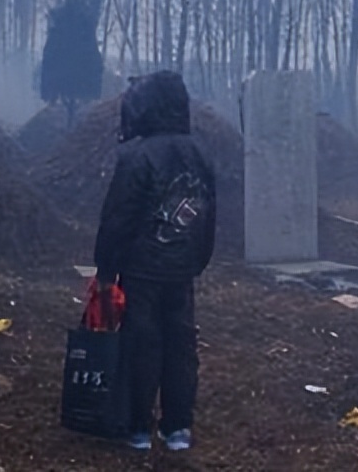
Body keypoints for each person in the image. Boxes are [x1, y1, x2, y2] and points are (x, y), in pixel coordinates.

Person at [93, 70, 216, 452]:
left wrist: (105, 269)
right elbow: (208, 214)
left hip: (141, 268)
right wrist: (197, 260)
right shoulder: (199, 152)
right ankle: (178, 426)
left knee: (140, 343)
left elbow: (119, 216)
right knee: (181, 345)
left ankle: (138, 427)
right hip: (180, 268)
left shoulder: (136, 155)